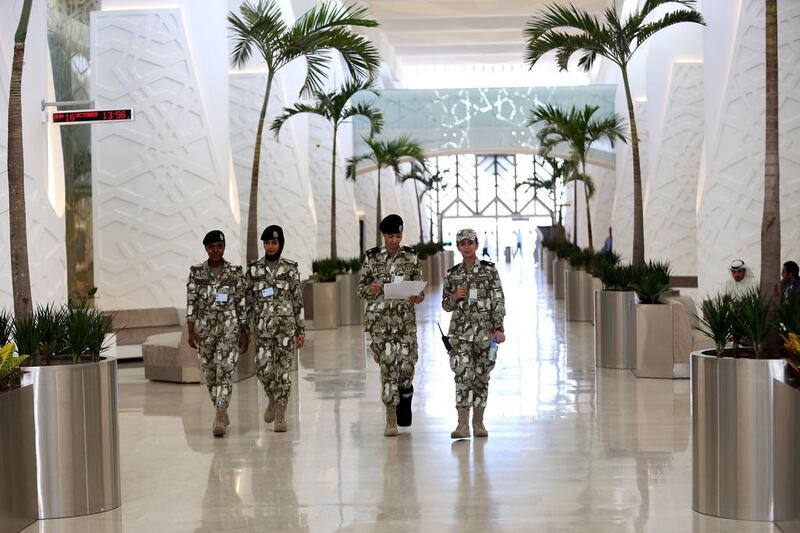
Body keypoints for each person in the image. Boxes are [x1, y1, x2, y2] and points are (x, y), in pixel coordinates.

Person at [357, 214, 425, 437]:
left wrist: (417, 296)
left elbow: (420, 289)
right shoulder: (372, 258)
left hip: (405, 324)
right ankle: (390, 419)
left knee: (406, 369)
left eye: (397, 235)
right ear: (383, 236)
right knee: (388, 370)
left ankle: (405, 397)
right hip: (380, 325)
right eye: (389, 236)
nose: (394, 240)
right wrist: (372, 289)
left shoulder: (411, 257)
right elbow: (360, 289)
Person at [441, 228, 506, 439]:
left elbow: (498, 300)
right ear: (458, 247)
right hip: (459, 335)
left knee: (481, 377)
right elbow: (445, 306)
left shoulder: (489, 270)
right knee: (462, 375)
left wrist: (499, 328)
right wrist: (454, 296)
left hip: (484, 334)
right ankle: (462, 425)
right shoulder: (453, 274)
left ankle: (478, 423)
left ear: (477, 245)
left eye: (470, 242)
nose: (467, 246)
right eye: (462, 243)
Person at [186, 230, 249, 438]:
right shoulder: (196, 273)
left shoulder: (234, 272)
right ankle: (220, 408)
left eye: (219, 246)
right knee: (211, 375)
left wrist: (244, 331)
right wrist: (190, 330)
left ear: (224, 247)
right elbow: (191, 302)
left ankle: (220, 415)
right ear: (206, 249)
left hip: (228, 331)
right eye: (211, 247)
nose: (216, 251)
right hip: (205, 332)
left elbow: (241, 303)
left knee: (225, 373)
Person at [246, 225, 305, 432]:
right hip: (262, 329)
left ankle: (280, 414)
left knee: (283, 374)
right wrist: (246, 328)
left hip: (285, 330)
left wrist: (300, 330)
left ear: (280, 243)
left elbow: (297, 301)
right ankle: (272, 397)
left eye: (274, 242)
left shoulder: (290, 269)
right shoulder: (254, 269)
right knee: (263, 368)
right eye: (267, 243)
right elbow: (248, 300)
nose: (270, 246)